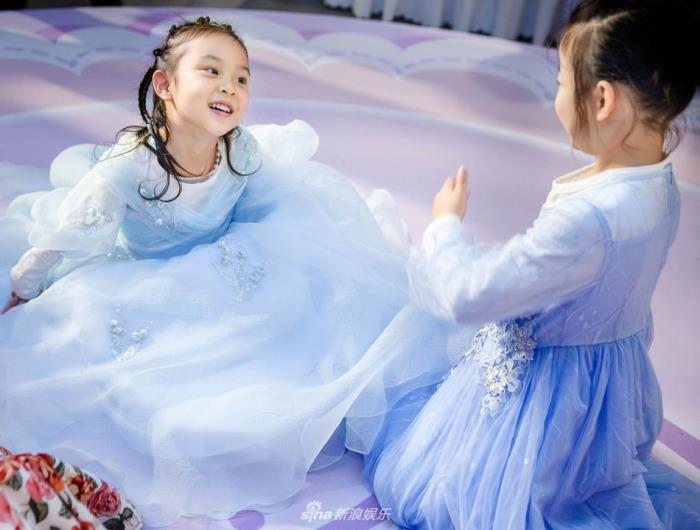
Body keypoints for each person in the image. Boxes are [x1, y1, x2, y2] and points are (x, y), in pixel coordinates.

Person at [0, 16, 450, 526]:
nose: (229, 87)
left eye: (241, 78)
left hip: (222, 266)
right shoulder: (129, 167)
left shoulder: (240, 150)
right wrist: (24, 285)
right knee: (107, 367)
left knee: (300, 315)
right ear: (165, 85)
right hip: (143, 279)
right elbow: (70, 233)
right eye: (211, 71)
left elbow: (270, 203)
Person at [364, 1, 700, 528]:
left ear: (603, 99)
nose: (557, 98)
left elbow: (472, 294)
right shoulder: (658, 181)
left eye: (562, 83)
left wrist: (445, 227)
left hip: (547, 406)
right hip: (604, 398)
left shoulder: (589, 220)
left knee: (437, 488)